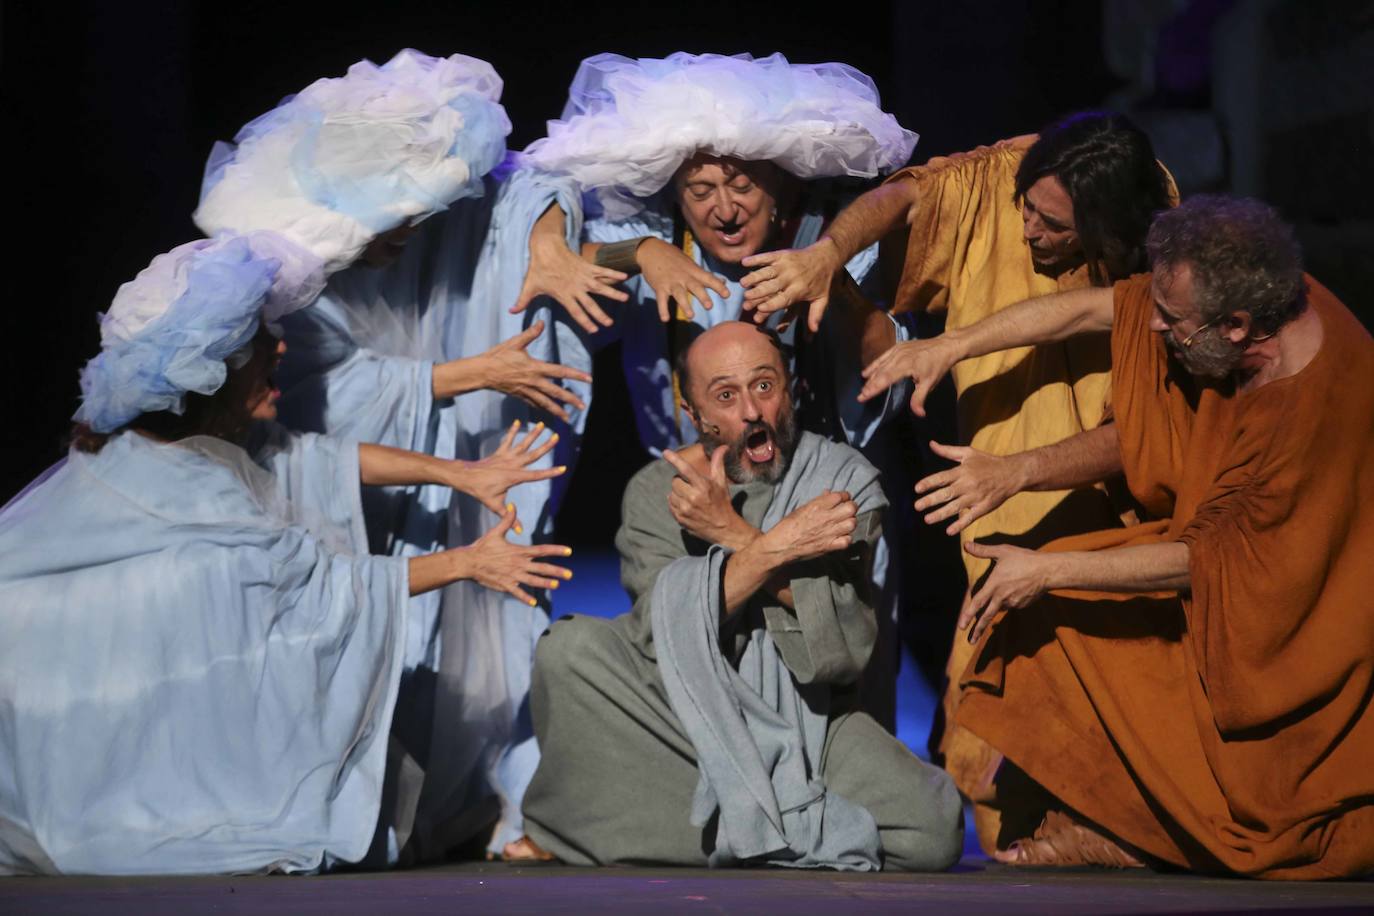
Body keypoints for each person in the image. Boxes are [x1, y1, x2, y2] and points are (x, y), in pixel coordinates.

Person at [0, 235, 572, 875]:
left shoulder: (192, 439)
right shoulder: (189, 488)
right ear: (215, 369)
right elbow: (321, 590)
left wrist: (460, 473)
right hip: (110, 697)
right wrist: (466, 563)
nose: (281, 347)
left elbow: (319, 460)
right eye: (258, 341)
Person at [860, 196, 1374, 878]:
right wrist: (948, 346)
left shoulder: (1311, 414)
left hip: (1289, 639)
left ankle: (1141, 834)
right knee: (1041, 606)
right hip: (1215, 564)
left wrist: (1044, 570)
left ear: (1239, 326)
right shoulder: (1242, 305)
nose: (1150, 324)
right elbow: (1088, 311)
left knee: (1054, 592)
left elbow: (1214, 567)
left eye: (1172, 320)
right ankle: (1104, 815)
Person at [193, 49, 601, 857]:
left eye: (418, 212)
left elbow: (530, 181)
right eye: (395, 217)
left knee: (491, 603)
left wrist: (549, 244)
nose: (409, 233)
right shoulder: (292, 257)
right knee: (377, 611)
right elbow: (318, 397)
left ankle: (491, 793)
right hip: (343, 482)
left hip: (448, 457)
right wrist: (475, 372)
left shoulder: (441, 215)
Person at [740, 110, 1177, 831]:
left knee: (1125, 769)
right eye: (1027, 212)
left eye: (1054, 226)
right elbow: (908, 195)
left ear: (1106, 228)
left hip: (1116, 531)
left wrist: (1017, 470)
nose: (1030, 231)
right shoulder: (1009, 174)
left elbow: (1141, 429)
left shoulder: (1165, 258)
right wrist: (828, 256)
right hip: (1003, 526)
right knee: (987, 778)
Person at [521, 52, 921, 726]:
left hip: (825, 512)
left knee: (848, 692)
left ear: (781, 187)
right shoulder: (661, 239)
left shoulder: (832, 241)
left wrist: (830, 283)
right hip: (701, 511)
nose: (723, 208)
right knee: (706, 692)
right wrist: (642, 256)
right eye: (701, 188)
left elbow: (895, 362)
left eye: (741, 185)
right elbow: (562, 253)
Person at [521, 321, 964, 872]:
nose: (751, 411)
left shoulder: (841, 481)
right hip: (692, 715)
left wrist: (734, 535)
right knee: (568, 651)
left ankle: (734, 827)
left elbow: (845, 645)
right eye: (725, 396)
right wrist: (779, 549)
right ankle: (774, 823)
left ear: (791, 388)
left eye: (763, 385)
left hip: (813, 721)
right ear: (695, 413)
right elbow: (661, 635)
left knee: (934, 828)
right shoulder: (659, 490)